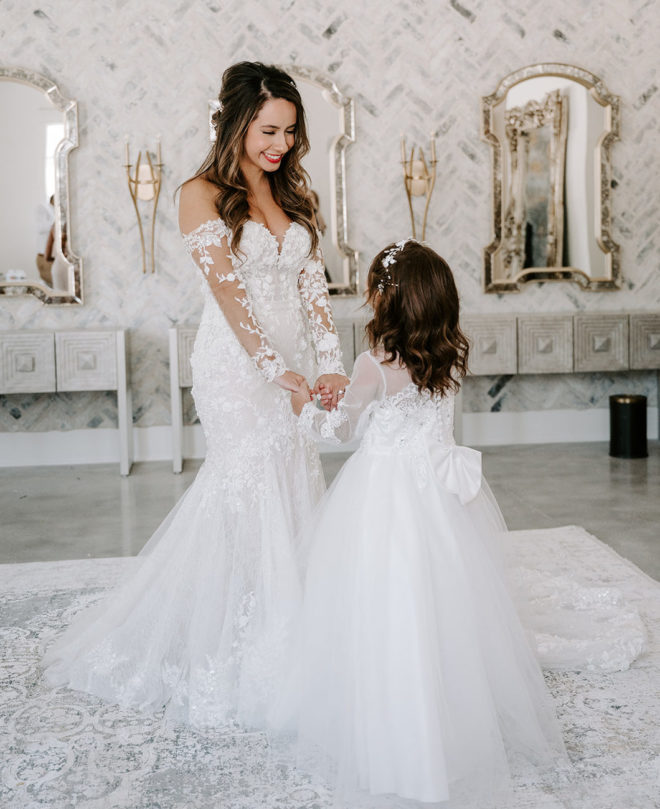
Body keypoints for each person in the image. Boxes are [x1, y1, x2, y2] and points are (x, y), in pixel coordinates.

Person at [43, 61, 349, 729]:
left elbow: (313, 290)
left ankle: (296, 626)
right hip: (235, 368)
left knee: (295, 477)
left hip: (292, 364)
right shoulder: (198, 194)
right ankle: (236, 634)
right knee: (248, 483)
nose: (282, 145)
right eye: (270, 130)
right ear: (238, 122)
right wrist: (274, 369)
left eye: (292, 132)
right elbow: (230, 298)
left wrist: (328, 364)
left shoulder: (296, 196)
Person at [278, 239, 571, 807]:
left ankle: (394, 736)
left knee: (384, 604)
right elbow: (397, 405)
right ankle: (448, 725)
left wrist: (304, 410)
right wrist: (350, 395)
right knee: (441, 603)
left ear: (386, 299)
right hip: (436, 498)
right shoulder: (450, 354)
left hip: (385, 495)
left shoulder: (373, 363)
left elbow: (341, 432)